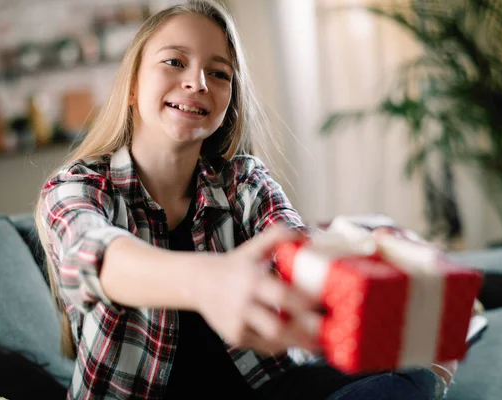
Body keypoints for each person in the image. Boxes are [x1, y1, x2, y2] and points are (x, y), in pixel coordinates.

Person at [35, 1, 455, 398]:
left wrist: (369, 263)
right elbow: (90, 255)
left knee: (414, 372)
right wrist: (206, 281)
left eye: (218, 73)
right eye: (174, 61)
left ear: (229, 101)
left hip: (267, 389)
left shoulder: (244, 180)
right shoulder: (77, 185)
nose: (197, 82)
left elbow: (296, 248)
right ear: (131, 86)